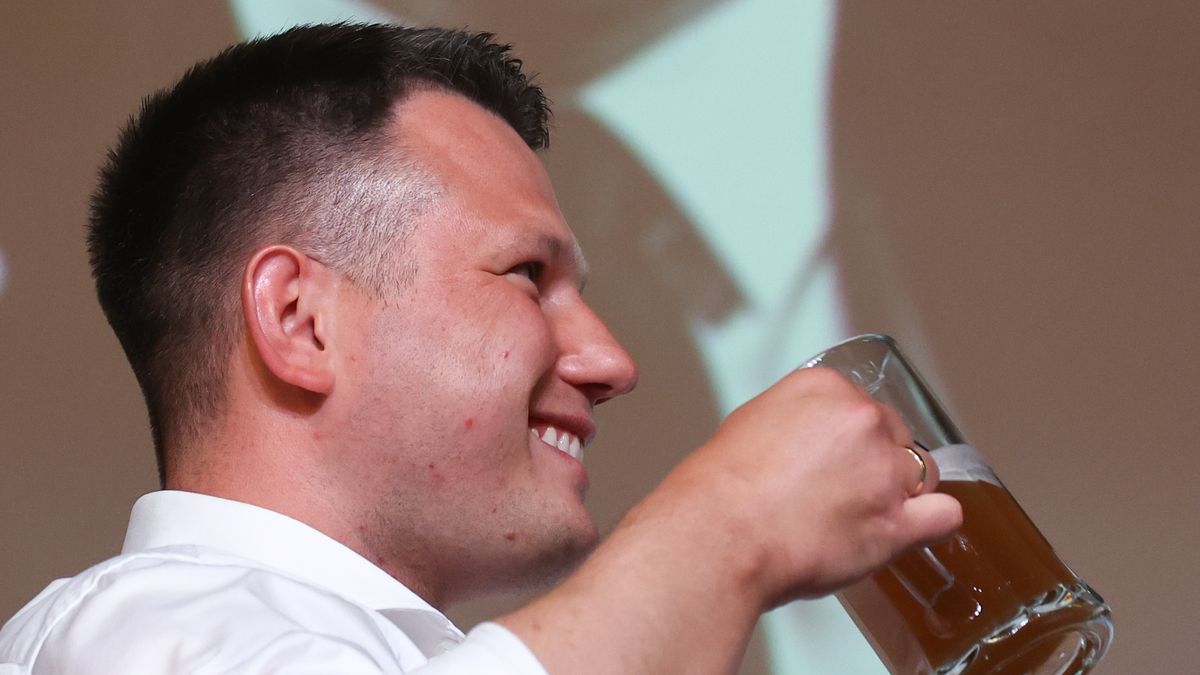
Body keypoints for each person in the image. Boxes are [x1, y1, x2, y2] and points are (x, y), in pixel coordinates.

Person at [0, 23, 961, 674]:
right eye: (527, 275)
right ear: (299, 319)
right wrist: (733, 522)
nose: (611, 361)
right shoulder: (142, 634)